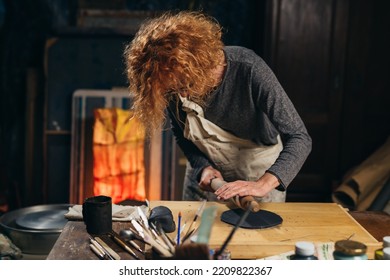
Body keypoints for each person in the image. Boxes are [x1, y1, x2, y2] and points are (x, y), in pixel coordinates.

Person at [124, 10, 312, 202]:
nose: (181, 95)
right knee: (195, 231)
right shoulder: (170, 77)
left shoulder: (249, 69)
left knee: (256, 231)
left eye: (184, 85)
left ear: (199, 63)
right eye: (173, 90)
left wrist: (263, 183)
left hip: (257, 169)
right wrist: (202, 167)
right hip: (209, 175)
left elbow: (300, 137)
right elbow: (182, 133)